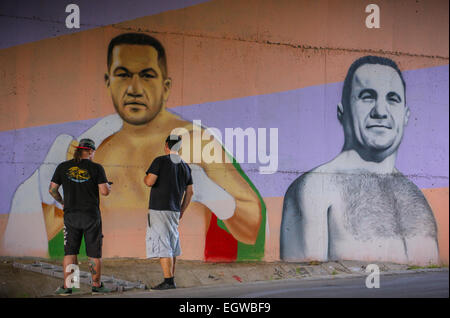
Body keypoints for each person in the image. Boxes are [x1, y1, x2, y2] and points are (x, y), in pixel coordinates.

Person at [1, 32, 264, 261]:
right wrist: (41, 194)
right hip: (115, 265)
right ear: (108, 83)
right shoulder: (92, 147)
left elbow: (251, 228)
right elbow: (45, 232)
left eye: (147, 76)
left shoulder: (194, 140)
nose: (134, 88)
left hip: (181, 268)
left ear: (166, 86)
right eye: (123, 75)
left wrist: (212, 194)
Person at [280, 56, 439, 265]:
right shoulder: (316, 188)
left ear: (406, 115)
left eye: (393, 99)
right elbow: (303, 284)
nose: (380, 112)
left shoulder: (416, 196)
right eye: (367, 97)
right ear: (342, 111)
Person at [49, 138, 111, 295]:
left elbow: (52, 190)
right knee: (93, 253)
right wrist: (108, 186)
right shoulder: (96, 168)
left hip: (71, 216)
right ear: (90, 151)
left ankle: (69, 287)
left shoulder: (63, 167)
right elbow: (104, 191)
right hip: (91, 216)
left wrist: (62, 202)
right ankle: (96, 286)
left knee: (70, 252)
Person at [144, 135, 193, 290]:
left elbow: (150, 181)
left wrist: (145, 178)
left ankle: (168, 281)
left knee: (163, 243)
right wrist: (182, 210)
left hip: (159, 209)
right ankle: (171, 278)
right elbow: (190, 192)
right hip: (174, 210)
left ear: (166, 145)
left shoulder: (160, 161)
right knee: (171, 243)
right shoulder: (185, 166)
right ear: (179, 147)